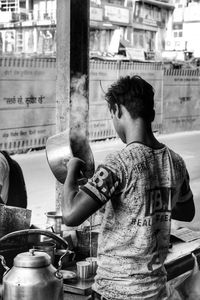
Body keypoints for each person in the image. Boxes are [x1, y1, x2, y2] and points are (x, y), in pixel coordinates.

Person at [61, 75, 195, 300]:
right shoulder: (176, 162)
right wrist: (149, 203)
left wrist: (72, 171)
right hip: (156, 292)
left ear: (117, 110)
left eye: (112, 115)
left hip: (117, 293)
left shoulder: (119, 163)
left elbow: (70, 215)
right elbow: (186, 211)